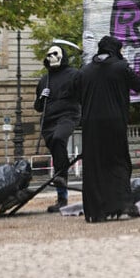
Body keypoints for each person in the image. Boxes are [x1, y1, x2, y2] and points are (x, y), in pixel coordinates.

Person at [76, 35, 140, 223]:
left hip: (90, 124)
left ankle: (95, 210)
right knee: (118, 162)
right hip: (114, 122)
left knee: (94, 166)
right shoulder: (121, 68)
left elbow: (75, 93)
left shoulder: (85, 71)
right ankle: (121, 204)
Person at [34, 44, 82, 213]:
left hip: (67, 116)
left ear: (62, 56)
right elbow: (38, 107)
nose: (51, 57)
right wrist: (41, 97)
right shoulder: (44, 80)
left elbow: (83, 94)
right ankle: (62, 197)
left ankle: (61, 175)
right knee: (56, 151)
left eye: (55, 54)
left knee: (59, 138)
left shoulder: (74, 75)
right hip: (48, 121)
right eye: (48, 55)